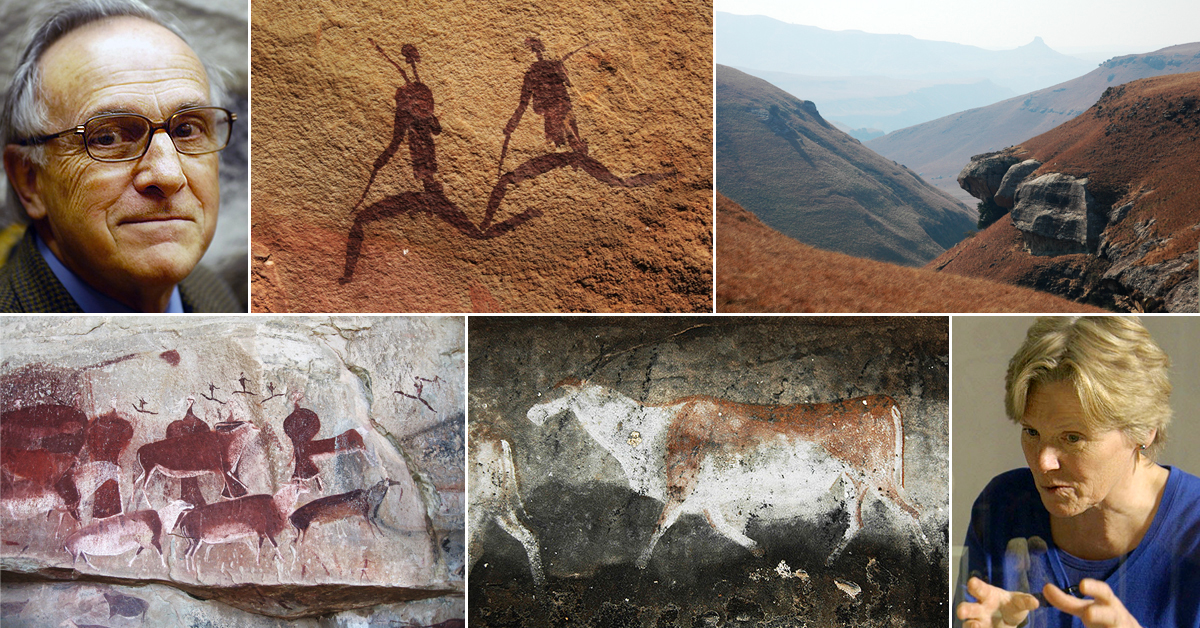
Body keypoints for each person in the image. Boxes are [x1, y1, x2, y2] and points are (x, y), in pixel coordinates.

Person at [956, 317, 1200, 628]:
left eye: (1072, 438)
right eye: (1031, 432)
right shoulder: (1003, 507)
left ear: (1144, 429)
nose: (1043, 463)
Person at [1, 0, 241, 312]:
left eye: (186, 130)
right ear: (29, 179)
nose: (168, 175)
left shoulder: (209, 291)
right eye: (108, 137)